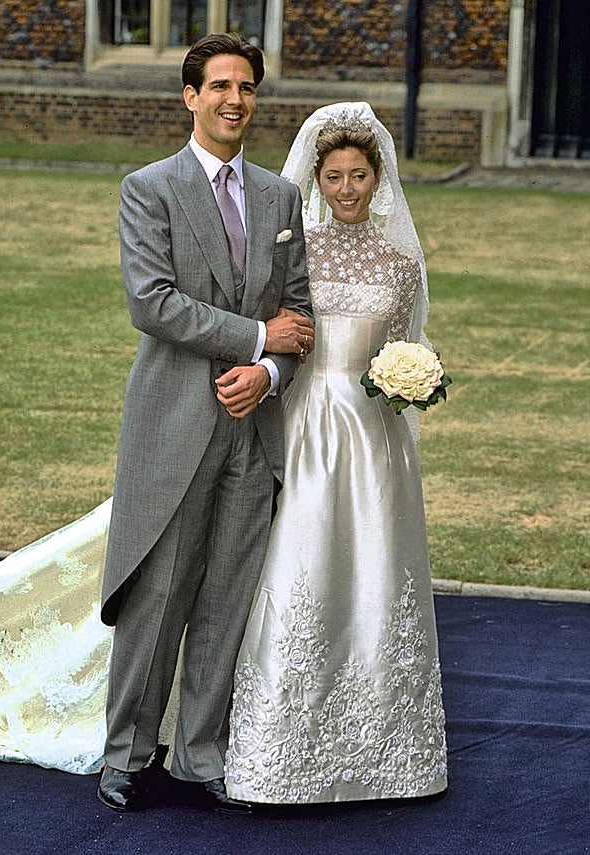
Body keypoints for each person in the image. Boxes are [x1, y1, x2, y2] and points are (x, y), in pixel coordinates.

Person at [96, 33, 313, 813]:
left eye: (247, 87)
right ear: (191, 97)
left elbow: (301, 317)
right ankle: (126, 752)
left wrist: (270, 373)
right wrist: (255, 338)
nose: (235, 99)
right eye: (220, 85)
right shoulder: (147, 187)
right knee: (159, 598)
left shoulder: (281, 199)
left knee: (227, 598)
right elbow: (150, 302)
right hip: (175, 425)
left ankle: (198, 754)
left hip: (253, 430)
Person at [224, 102, 448, 804]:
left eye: (359, 175)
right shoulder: (296, 250)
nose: (347, 188)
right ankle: (278, 745)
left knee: (375, 566)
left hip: (375, 435)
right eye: (335, 176)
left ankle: (389, 746)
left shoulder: (401, 260)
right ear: (315, 181)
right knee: (300, 557)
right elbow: (275, 329)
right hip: (307, 419)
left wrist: (415, 375)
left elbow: (407, 340)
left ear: (379, 178)